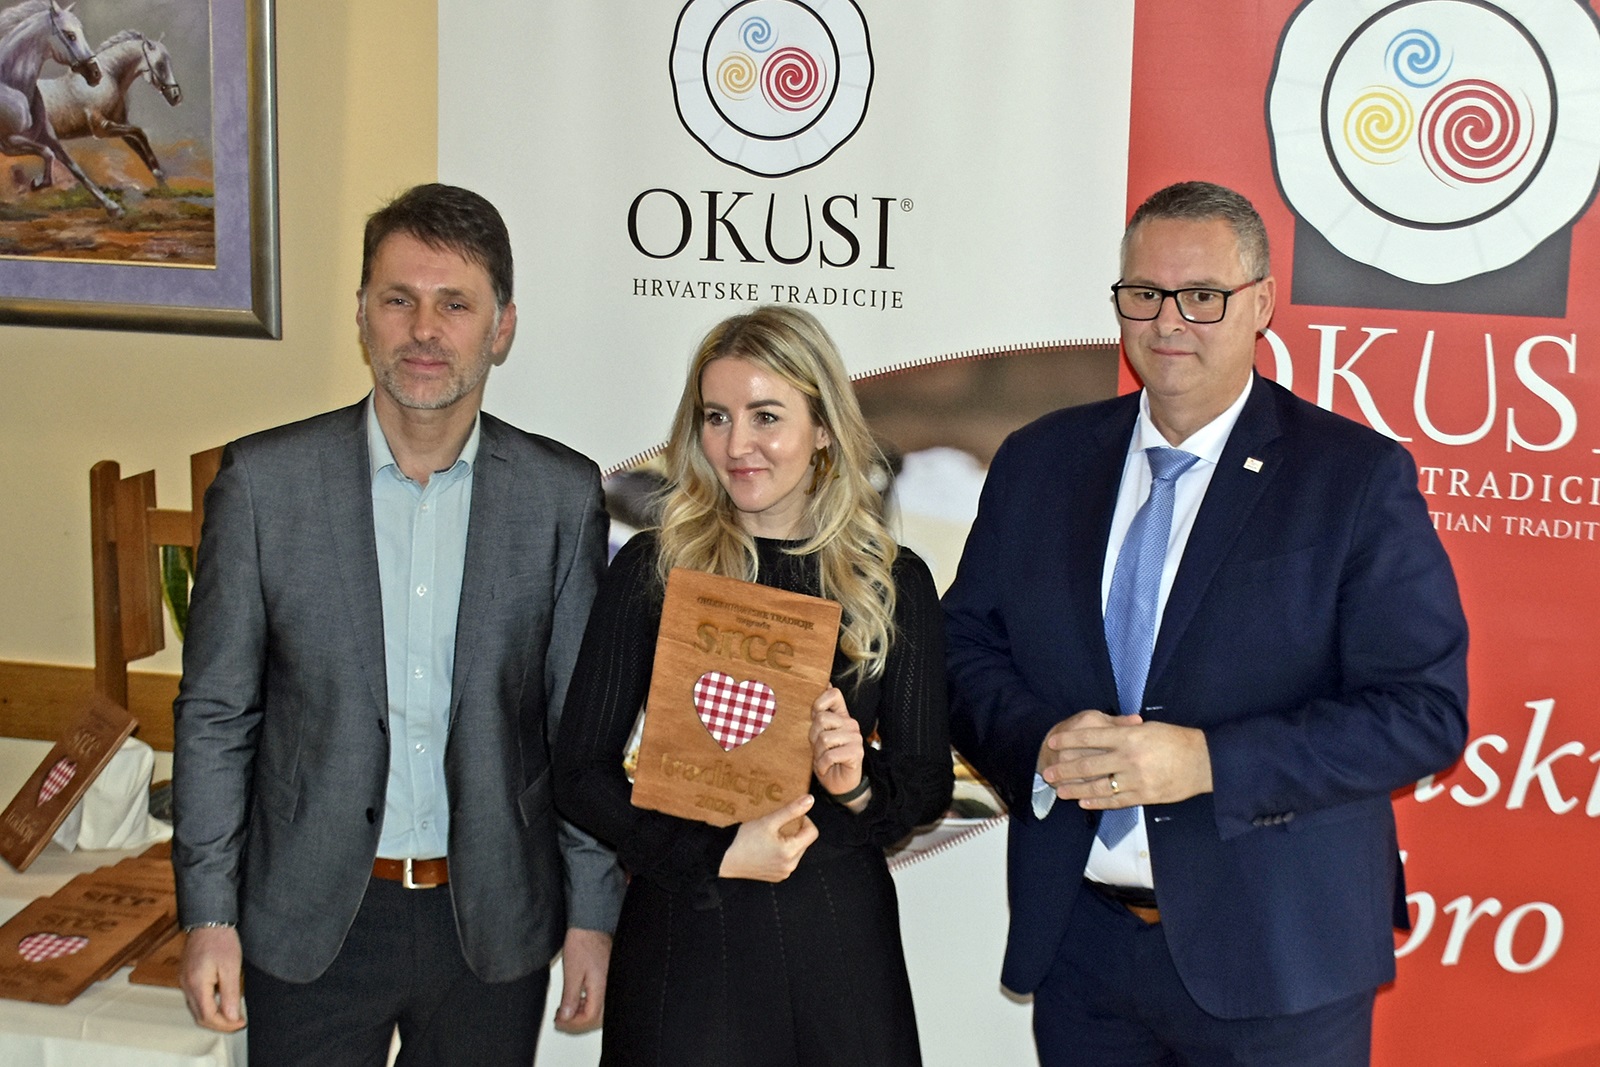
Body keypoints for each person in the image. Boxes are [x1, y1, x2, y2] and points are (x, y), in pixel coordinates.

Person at [943, 181, 1469, 1066]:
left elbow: (1423, 714)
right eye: (1144, 293)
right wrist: (1040, 742)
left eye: (1203, 296)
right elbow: (964, 647)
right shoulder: (1040, 459)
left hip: (1281, 961)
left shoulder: (1352, 477)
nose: (1168, 321)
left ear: (1262, 303)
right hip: (1082, 949)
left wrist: (1208, 762)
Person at [172, 183, 623, 1066]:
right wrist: (209, 915)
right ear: (361, 315)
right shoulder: (263, 487)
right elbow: (216, 717)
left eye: (455, 304)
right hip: (308, 921)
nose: (424, 329)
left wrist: (593, 917)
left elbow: (581, 732)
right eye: (398, 300)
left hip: (491, 924)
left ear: (501, 327)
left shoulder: (561, 498)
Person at [555, 305, 952, 1066]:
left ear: (824, 428)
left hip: (835, 943)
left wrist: (856, 783)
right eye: (716, 417)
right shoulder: (654, 570)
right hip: (686, 933)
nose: (737, 445)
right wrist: (712, 853)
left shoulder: (892, 582)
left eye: (766, 416)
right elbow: (578, 773)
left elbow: (925, 786)